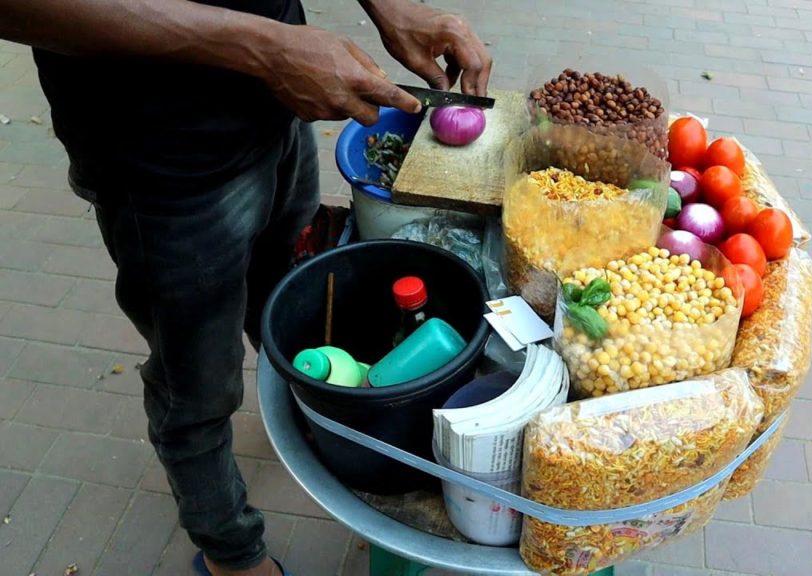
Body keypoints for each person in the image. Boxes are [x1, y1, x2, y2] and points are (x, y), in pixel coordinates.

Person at [0, 1, 491, 575]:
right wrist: (265, 47)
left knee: (286, 298)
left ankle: (311, 405)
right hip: (164, 167)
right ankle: (230, 552)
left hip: (278, 111)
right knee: (197, 389)